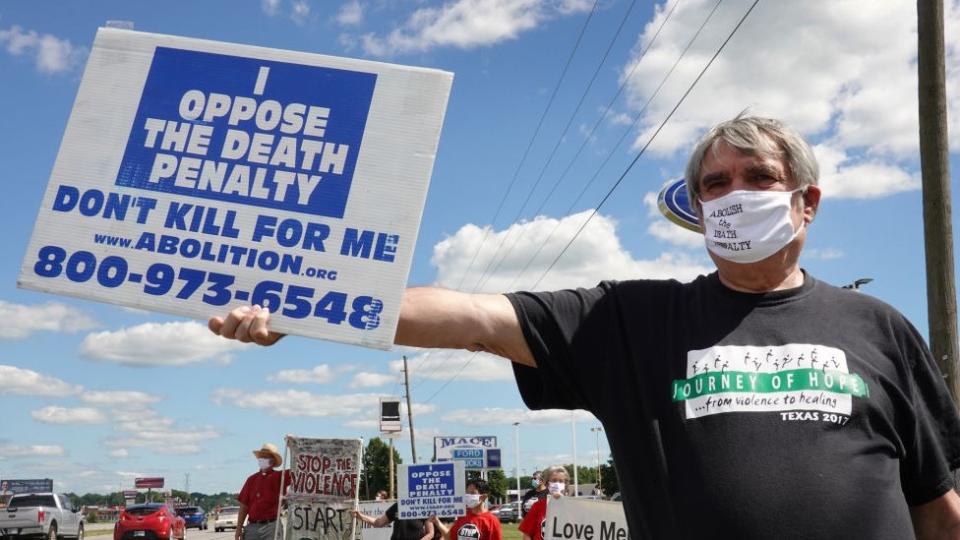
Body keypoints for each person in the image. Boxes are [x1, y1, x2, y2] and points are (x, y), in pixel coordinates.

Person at [209, 115, 960, 539]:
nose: (735, 196)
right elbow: (473, 318)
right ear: (696, 208)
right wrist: (308, 307)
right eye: (715, 184)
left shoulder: (880, 328)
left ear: (807, 202)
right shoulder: (632, 320)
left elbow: (936, 502)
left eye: (758, 179)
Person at [236, 443, 290, 540]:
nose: (262, 459)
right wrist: (238, 528)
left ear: (272, 461)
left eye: (266, 457)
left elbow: (298, 471)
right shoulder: (251, 480)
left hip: (272, 526)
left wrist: (292, 447)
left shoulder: (280, 477)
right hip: (252, 527)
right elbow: (244, 506)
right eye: (262, 456)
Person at [430, 479, 501, 540]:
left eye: (472, 493)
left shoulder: (492, 521)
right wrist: (437, 522)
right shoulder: (463, 515)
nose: (468, 496)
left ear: (483, 497)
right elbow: (450, 537)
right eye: (467, 492)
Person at [519, 466, 568, 540]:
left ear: (542, 481)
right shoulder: (529, 495)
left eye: (535, 479)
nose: (533, 481)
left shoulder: (548, 494)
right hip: (531, 525)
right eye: (532, 479)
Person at [352, 502, 434, 540]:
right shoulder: (398, 505)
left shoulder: (423, 507)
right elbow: (379, 522)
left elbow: (430, 533)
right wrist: (361, 516)